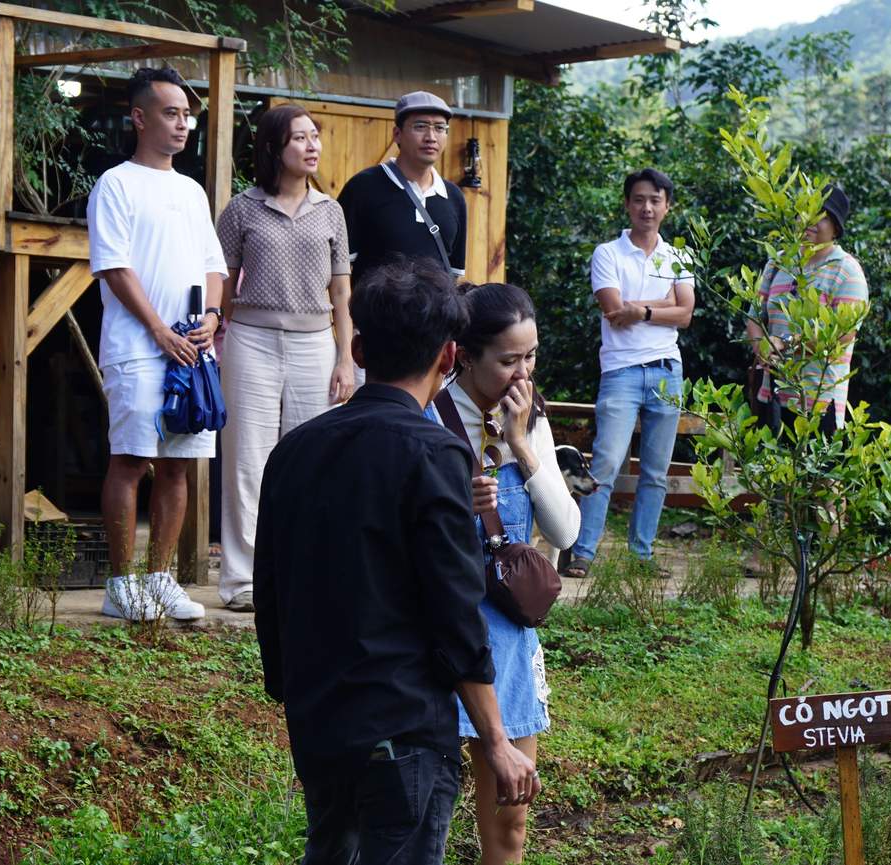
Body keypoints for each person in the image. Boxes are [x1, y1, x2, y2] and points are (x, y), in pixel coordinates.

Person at [254, 259, 540, 865]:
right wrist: (496, 739)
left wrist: (291, 690)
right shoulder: (436, 454)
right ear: (447, 357)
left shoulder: (293, 452)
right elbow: (453, 608)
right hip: (404, 728)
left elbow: (270, 588)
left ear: (357, 348)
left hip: (320, 722)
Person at [426, 283, 578, 865]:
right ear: (466, 353)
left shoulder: (528, 415)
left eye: (532, 356)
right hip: (440, 625)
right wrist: (451, 498)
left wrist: (522, 444)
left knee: (511, 819)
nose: (523, 372)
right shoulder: (432, 411)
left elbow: (565, 533)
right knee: (426, 809)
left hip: (508, 635)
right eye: (509, 359)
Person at [87, 67, 226, 621]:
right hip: (139, 345)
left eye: (187, 115)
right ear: (139, 117)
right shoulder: (115, 183)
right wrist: (158, 330)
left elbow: (215, 266)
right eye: (171, 113)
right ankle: (120, 585)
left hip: (193, 347)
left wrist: (213, 317)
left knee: (179, 466)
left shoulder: (190, 190)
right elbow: (115, 267)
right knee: (131, 459)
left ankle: (162, 578)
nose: (183, 124)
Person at [214, 104, 355, 613]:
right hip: (249, 340)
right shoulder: (241, 209)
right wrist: (213, 341)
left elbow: (342, 295)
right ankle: (242, 581)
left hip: (315, 344)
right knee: (247, 461)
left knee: (312, 462)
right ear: (275, 147)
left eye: (316, 136)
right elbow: (222, 287)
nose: (312, 146)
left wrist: (345, 359)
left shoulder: (332, 211)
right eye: (300, 138)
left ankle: (304, 573)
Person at [563, 168, 694, 579]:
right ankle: (584, 551)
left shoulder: (679, 257)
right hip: (621, 371)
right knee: (604, 463)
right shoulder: (608, 253)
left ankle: (642, 554)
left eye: (655, 200)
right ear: (627, 203)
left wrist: (643, 310)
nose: (647, 207)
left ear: (667, 206)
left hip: (667, 370)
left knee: (656, 472)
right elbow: (614, 311)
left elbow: (686, 313)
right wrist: (661, 304)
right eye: (639, 199)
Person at [746, 183, 868, 434]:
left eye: (820, 215)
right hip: (772, 394)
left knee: (812, 474)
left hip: (819, 401)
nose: (809, 220)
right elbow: (755, 315)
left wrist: (787, 344)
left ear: (836, 227)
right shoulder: (778, 262)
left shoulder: (846, 271)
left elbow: (841, 334)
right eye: (804, 211)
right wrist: (763, 348)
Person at [338, 91, 468, 287]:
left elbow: (453, 275)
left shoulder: (454, 197)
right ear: (397, 134)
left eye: (440, 128)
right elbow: (339, 270)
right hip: (374, 316)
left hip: (436, 318)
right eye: (420, 126)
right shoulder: (363, 188)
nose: (431, 137)